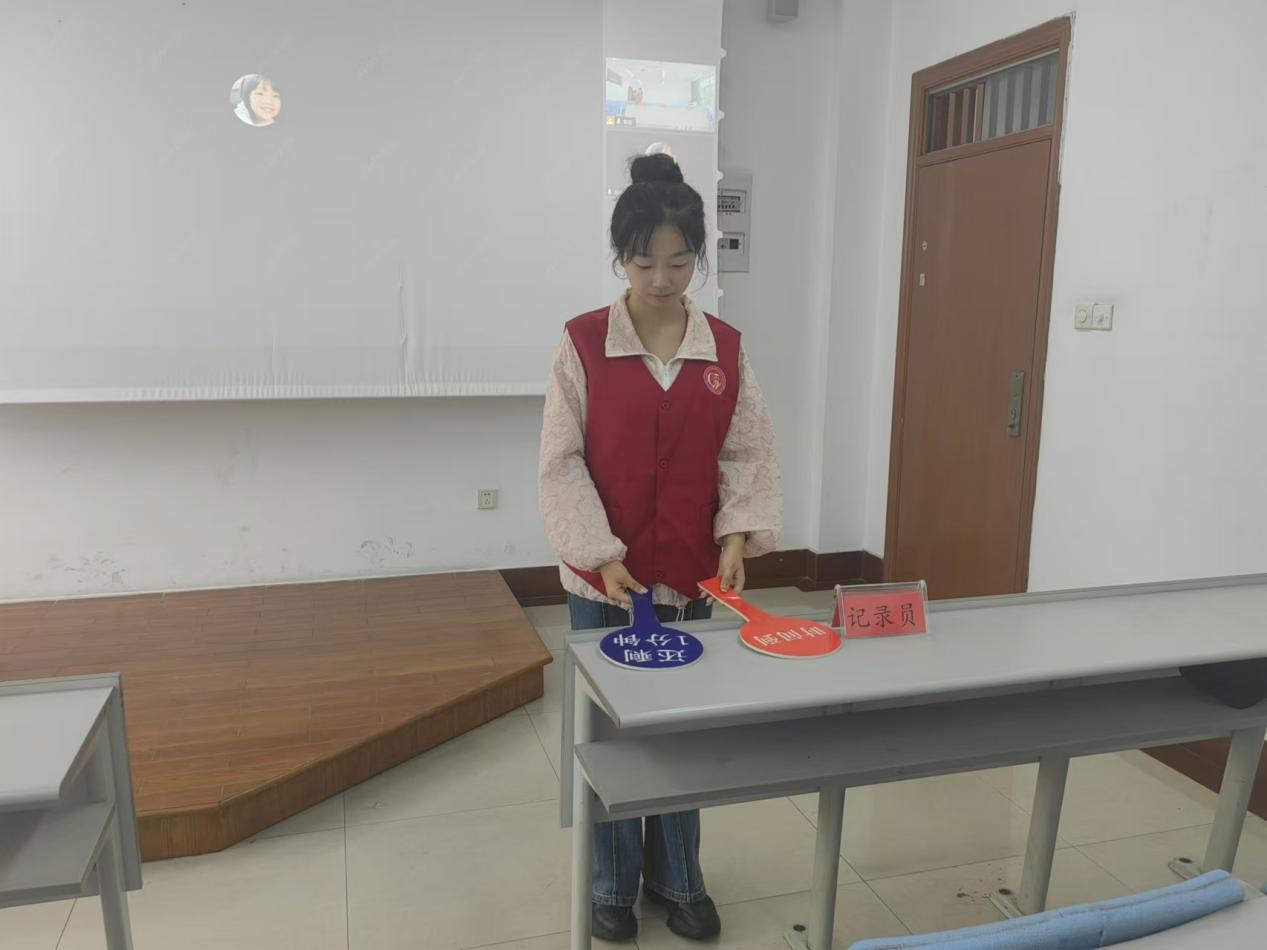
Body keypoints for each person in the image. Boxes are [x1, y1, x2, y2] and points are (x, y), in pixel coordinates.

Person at [538, 152, 782, 942]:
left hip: (689, 574)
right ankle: (609, 886)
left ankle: (678, 879)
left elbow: (745, 453)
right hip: (603, 579)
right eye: (644, 262)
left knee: (679, 729)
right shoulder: (583, 343)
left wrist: (735, 537)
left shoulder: (725, 349)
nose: (661, 279)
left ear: (698, 258)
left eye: (679, 263)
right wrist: (600, 554)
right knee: (609, 731)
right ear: (620, 257)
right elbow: (561, 461)